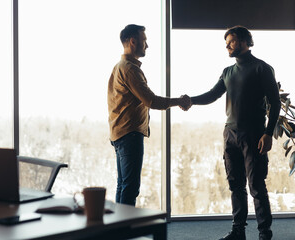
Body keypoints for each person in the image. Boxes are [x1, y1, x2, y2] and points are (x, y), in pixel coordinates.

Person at [186, 26, 280, 240]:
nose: (227, 45)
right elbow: (212, 94)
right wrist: (190, 100)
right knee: (236, 185)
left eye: (232, 41)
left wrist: (267, 133)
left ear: (246, 42)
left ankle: (265, 234)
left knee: (257, 186)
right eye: (226, 41)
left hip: (254, 134)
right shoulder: (228, 72)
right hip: (230, 134)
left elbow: (275, 104)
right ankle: (238, 231)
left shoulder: (262, 68)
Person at [107, 24, 191, 206]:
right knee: (130, 187)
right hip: (129, 134)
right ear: (133, 41)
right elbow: (151, 101)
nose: (147, 45)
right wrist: (179, 101)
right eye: (144, 41)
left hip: (120, 133)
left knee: (123, 185)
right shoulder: (130, 69)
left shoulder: (119, 67)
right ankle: (125, 231)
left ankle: (119, 229)